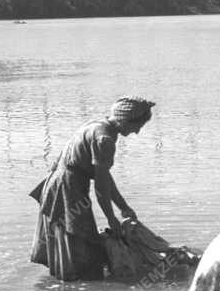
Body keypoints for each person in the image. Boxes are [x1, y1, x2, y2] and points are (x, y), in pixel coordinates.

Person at [29, 96, 154, 281]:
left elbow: (103, 176)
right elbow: (101, 189)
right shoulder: (105, 140)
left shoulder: (97, 125)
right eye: (137, 126)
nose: (137, 132)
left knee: (73, 243)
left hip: (59, 182)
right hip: (68, 189)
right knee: (80, 244)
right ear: (125, 120)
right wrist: (112, 220)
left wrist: (123, 207)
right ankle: (76, 285)